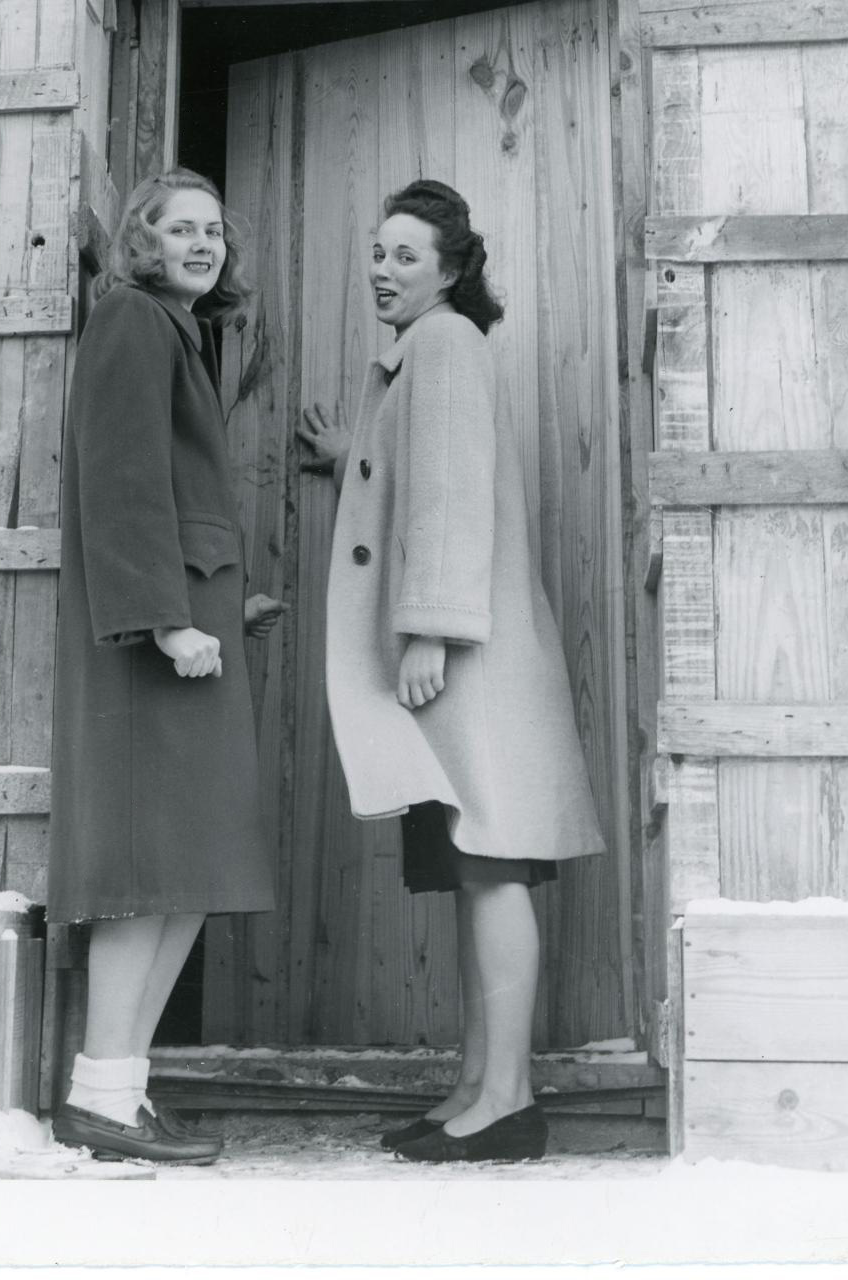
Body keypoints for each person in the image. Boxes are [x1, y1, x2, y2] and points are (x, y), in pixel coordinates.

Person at [299, 179, 605, 1165]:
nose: (383, 270)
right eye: (376, 251)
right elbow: (415, 467)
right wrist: (354, 455)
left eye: (406, 255)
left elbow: (451, 493)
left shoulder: (442, 344)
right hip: (462, 646)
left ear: (452, 267)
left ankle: (508, 1098)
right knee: (478, 865)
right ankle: (477, 1084)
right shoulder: (427, 353)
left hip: (462, 647)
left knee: (493, 860)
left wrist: (427, 628)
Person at [48, 168, 285, 1165]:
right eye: (177, 227)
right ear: (142, 243)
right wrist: (165, 621)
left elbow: (176, 498)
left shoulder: (180, 332)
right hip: (155, 648)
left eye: (212, 230)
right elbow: (122, 480)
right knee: (151, 869)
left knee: (191, 868)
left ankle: (121, 1089)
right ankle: (100, 1091)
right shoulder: (134, 322)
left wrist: (224, 603)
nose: (201, 243)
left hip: (191, 634)